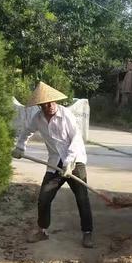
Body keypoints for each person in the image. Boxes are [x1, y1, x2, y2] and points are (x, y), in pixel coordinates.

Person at [12, 82, 94, 248]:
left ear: (55, 101)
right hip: (54, 164)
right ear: (40, 105)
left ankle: (87, 233)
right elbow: (26, 131)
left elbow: (76, 139)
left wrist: (70, 162)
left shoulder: (66, 115)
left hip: (75, 162)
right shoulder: (38, 118)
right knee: (44, 198)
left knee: (82, 198)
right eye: (44, 104)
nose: (48, 106)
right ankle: (42, 231)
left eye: (51, 102)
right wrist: (20, 147)